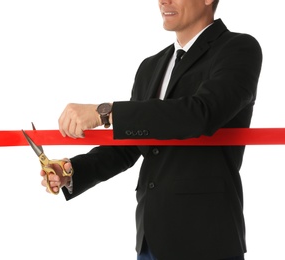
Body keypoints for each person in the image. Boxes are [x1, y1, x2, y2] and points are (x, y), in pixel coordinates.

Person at [40, 0, 262, 259]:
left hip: (206, 237)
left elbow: (202, 113)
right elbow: (129, 147)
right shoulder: (150, 67)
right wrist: (72, 172)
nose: (163, 1)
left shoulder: (238, 48)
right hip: (150, 238)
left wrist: (106, 112)